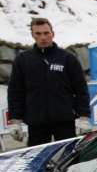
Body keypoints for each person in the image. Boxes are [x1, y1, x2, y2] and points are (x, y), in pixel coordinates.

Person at [8, 18, 91, 147]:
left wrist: (84, 118)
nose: (43, 37)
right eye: (38, 34)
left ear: (53, 33)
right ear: (32, 35)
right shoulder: (23, 60)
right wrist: (15, 122)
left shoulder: (67, 58)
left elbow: (81, 89)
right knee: (37, 163)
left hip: (64, 122)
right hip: (36, 123)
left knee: (69, 162)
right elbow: (15, 92)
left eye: (46, 33)